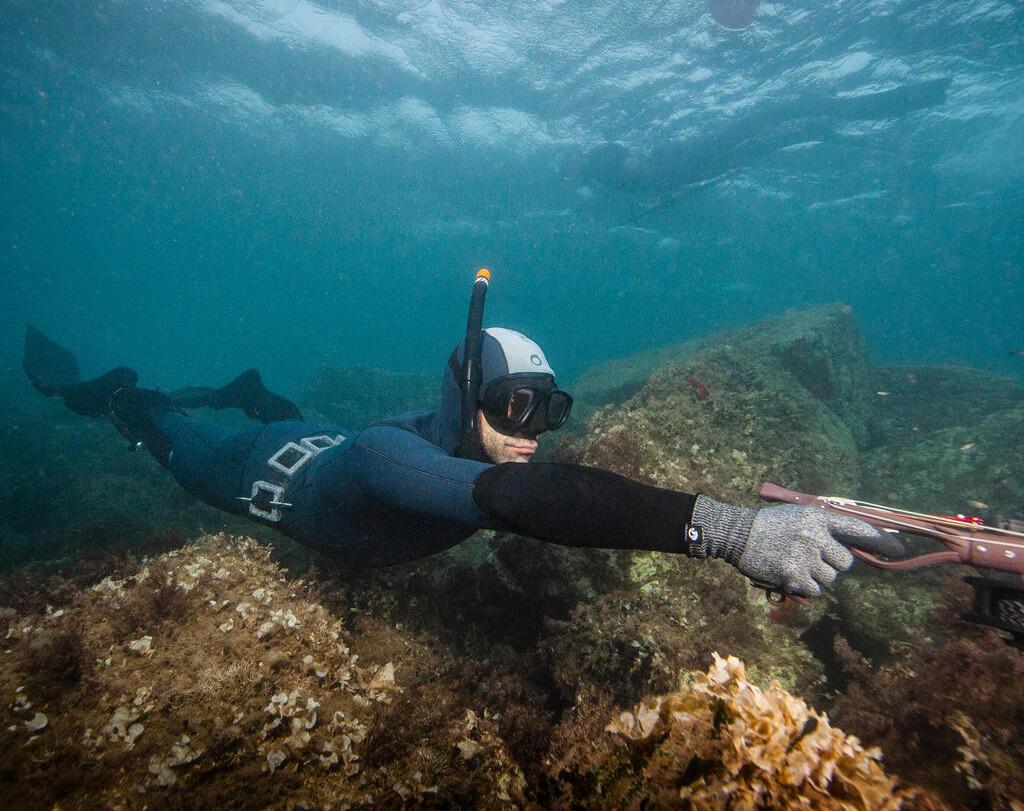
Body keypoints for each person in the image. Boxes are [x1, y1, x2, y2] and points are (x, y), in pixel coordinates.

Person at [22, 276, 900, 595]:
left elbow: (541, 485)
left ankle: (258, 392)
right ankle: (110, 398)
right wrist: (733, 529)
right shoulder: (392, 458)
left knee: (299, 415)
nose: (532, 435)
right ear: (467, 395)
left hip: (319, 433)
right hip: (256, 469)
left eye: (548, 412)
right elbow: (527, 501)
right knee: (167, 433)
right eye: (513, 408)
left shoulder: (421, 437)